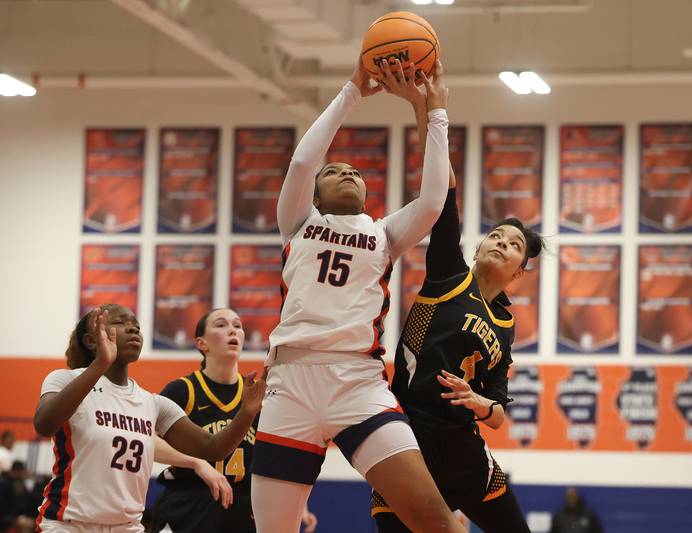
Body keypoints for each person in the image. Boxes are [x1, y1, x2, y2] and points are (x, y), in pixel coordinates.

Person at [250, 57, 466, 533]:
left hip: (358, 384)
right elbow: (304, 160)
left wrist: (436, 114)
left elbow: (434, 199)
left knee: (438, 522)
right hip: (291, 383)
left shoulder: (385, 232)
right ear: (316, 194)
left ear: (368, 193)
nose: (347, 173)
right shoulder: (299, 223)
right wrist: (351, 90)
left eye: (355, 172)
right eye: (336, 172)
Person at [370, 72, 543, 533]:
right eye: (496, 236)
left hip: (464, 452)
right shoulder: (449, 274)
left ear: (519, 272)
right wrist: (426, 110)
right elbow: (441, 187)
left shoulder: (504, 326)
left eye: (514, 245)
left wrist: (478, 402)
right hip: (408, 438)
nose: (501, 243)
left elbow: (500, 416)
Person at [32, 304, 266, 532]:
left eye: (136, 325)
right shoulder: (63, 379)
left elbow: (213, 448)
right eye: (120, 323)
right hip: (68, 524)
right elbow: (45, 424)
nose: (133, 329)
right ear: (91, 340)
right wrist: (100, 363)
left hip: (127, 527)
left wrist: (246, 412)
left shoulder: (153, 404)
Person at [151, 308, 317, 533]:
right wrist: (196, 463)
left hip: (241, 507)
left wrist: (297, 503)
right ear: (201, 343)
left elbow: (275, 453)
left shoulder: (255, 394)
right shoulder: (183, 390)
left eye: (237, 326)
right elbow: (146, 439)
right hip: (189, 502)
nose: (232, 330)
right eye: (221, 325)